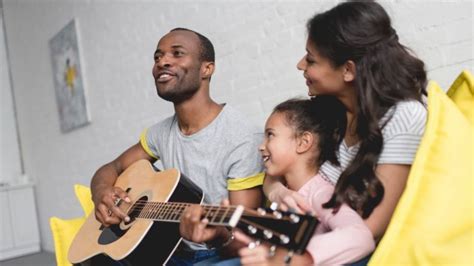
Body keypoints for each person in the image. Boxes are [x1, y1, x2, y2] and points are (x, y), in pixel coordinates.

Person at [264, 0, 428, 254]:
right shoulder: (330, 109)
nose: (300, 65)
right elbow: (276, 165)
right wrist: (277, 192)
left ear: (348, 70)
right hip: (313, 245)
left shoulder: (405, 117)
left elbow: (372, 230)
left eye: (311, 60)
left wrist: (288, 256)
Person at [90, 28, 264, 265]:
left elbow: (242, 238)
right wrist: (101, 193)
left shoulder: (242, 137)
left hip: (218, 255)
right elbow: (112, 167)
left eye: (177, 53)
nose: (163, 62)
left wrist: (215, 236)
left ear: (207, 68)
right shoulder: (159, 133)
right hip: (170, 251)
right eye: (157, 57)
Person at [237, 96, 375, 265]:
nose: (261, 146)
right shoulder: (281, 190)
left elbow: (360, 235)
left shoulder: (321, 193)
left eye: (270, 135)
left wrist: (301, 257)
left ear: (303, 142)